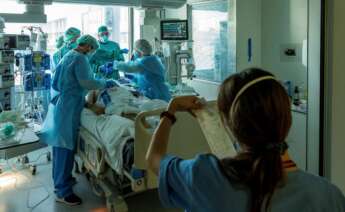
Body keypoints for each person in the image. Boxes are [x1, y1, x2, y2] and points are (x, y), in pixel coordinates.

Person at [146, 68, 345, 212]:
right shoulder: (327, 195)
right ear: (287, 120)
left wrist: (170, 111)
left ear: (228, 123)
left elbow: (154, 159)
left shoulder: (205, 176)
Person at [42, 35, 117, 206]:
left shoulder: (69, 55)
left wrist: (83, 101)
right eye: (93, 50)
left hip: (65, 104)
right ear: (88, 47)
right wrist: (105, 83)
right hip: (68, 108)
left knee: (62, 147)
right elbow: (87, 82)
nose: (92, 53)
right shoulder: (81, 58)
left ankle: (64, 179)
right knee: (64, 147)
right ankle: (62, 191)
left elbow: (63, 84)